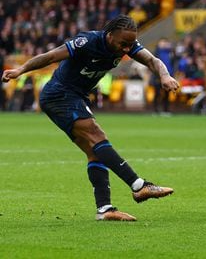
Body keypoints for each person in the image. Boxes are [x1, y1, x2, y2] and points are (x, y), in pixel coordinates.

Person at [2, 15, 180, 221]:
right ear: (110, 35)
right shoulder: (87, 41)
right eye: (123, 44)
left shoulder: (127, 44)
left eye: (130, 45)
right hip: (59, 93)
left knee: (95, 152)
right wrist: (20, 70)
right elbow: (51, 56)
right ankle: (139, 185)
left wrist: (165, 75)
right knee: (97, 135)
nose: (126, 49)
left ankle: (104, 209)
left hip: (76, 96)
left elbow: (152, 60)